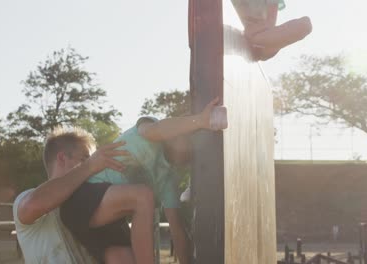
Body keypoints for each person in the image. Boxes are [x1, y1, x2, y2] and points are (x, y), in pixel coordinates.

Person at [61, 97, 224, 264]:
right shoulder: (150, 130)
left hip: (108, 224)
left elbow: (177, 229)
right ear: (174, 131)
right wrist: (199, 121)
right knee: (143, 196)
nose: (190, 144)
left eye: (193, 143)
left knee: (126, 259)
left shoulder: (168, 179)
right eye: (187, 136)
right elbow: (158, 129)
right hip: (81, 201)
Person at [13, 127, 156, 264]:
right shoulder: (28, 197)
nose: (96, 170)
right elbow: (32, 205)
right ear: (62, 158)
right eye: (85, 159)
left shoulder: (95, 206)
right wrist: (89, 166)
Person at [231, 0, 312, 61]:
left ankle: (259, 47)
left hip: (260, 37)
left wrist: (250, 32)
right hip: (238, 31)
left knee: (305, 23)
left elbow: (269, 23)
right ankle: (255, 45)